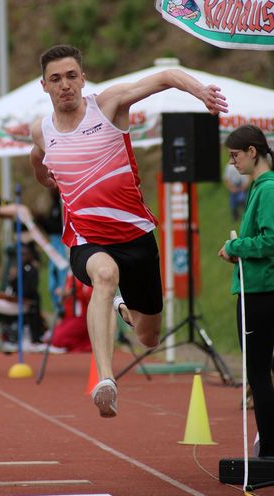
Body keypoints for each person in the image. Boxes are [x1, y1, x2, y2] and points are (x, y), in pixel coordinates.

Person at [30, 44, 228, 418]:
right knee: (104, 275)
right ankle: (106, 380)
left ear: (83, 78)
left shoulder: (108, 105)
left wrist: (200, 91)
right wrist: (43, 177)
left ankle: (123, 308)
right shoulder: (41, 130)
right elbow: (35, 155)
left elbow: (166, 76)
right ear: (44, 86)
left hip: (137, 237)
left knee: (148, 336)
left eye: (71, 76)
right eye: (56, 79)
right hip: (88, 239)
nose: (65, 85)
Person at [218, 124, 274, 457]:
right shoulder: (260, 187)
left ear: (253, 152)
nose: (232, 163)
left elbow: (270, 240)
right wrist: (236, 252)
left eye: (235, 155)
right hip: (257, 285)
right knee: (261, 371)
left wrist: (235, 245)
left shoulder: (267, 188)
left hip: (260, 292)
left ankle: (268, 447)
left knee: (257, 371)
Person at [34, 188, 67, 315]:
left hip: (61, 243)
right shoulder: (54, 205)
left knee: (61, 276)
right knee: (52, 283)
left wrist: (42, 220)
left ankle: (64, 309)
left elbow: (57, 226)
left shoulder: (63, 204)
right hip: (54, 244)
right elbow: (51, 228)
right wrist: (41, 220)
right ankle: (57, 309)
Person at [49, 272, 92, 353]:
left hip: (81, 317)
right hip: (69, 317)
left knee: (58, 339)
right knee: (51, 338)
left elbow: (89, 294)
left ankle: (85, 344)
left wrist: (71, 292)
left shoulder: (85, 274)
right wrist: (63, 295)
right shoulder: (70, 275)